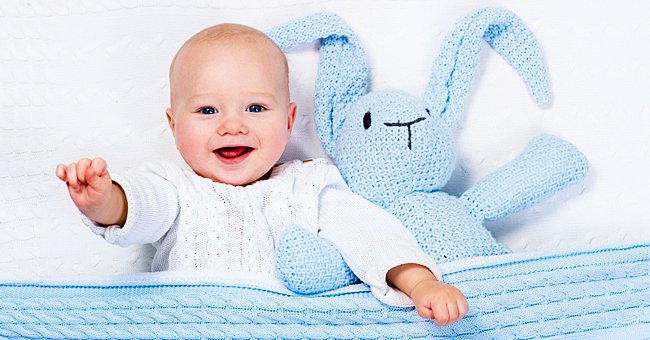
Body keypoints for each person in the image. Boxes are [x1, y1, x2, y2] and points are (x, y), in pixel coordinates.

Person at [55, 22, 468, 326]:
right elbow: (140, 207)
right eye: (206, 110)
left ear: (289, 121)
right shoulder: (176, 187)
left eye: (255, 108)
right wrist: (104, 199)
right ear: (173, 124)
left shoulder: (308, 185)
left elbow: (370, 235)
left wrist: (421, 285)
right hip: (192, 324)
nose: (232, 126)